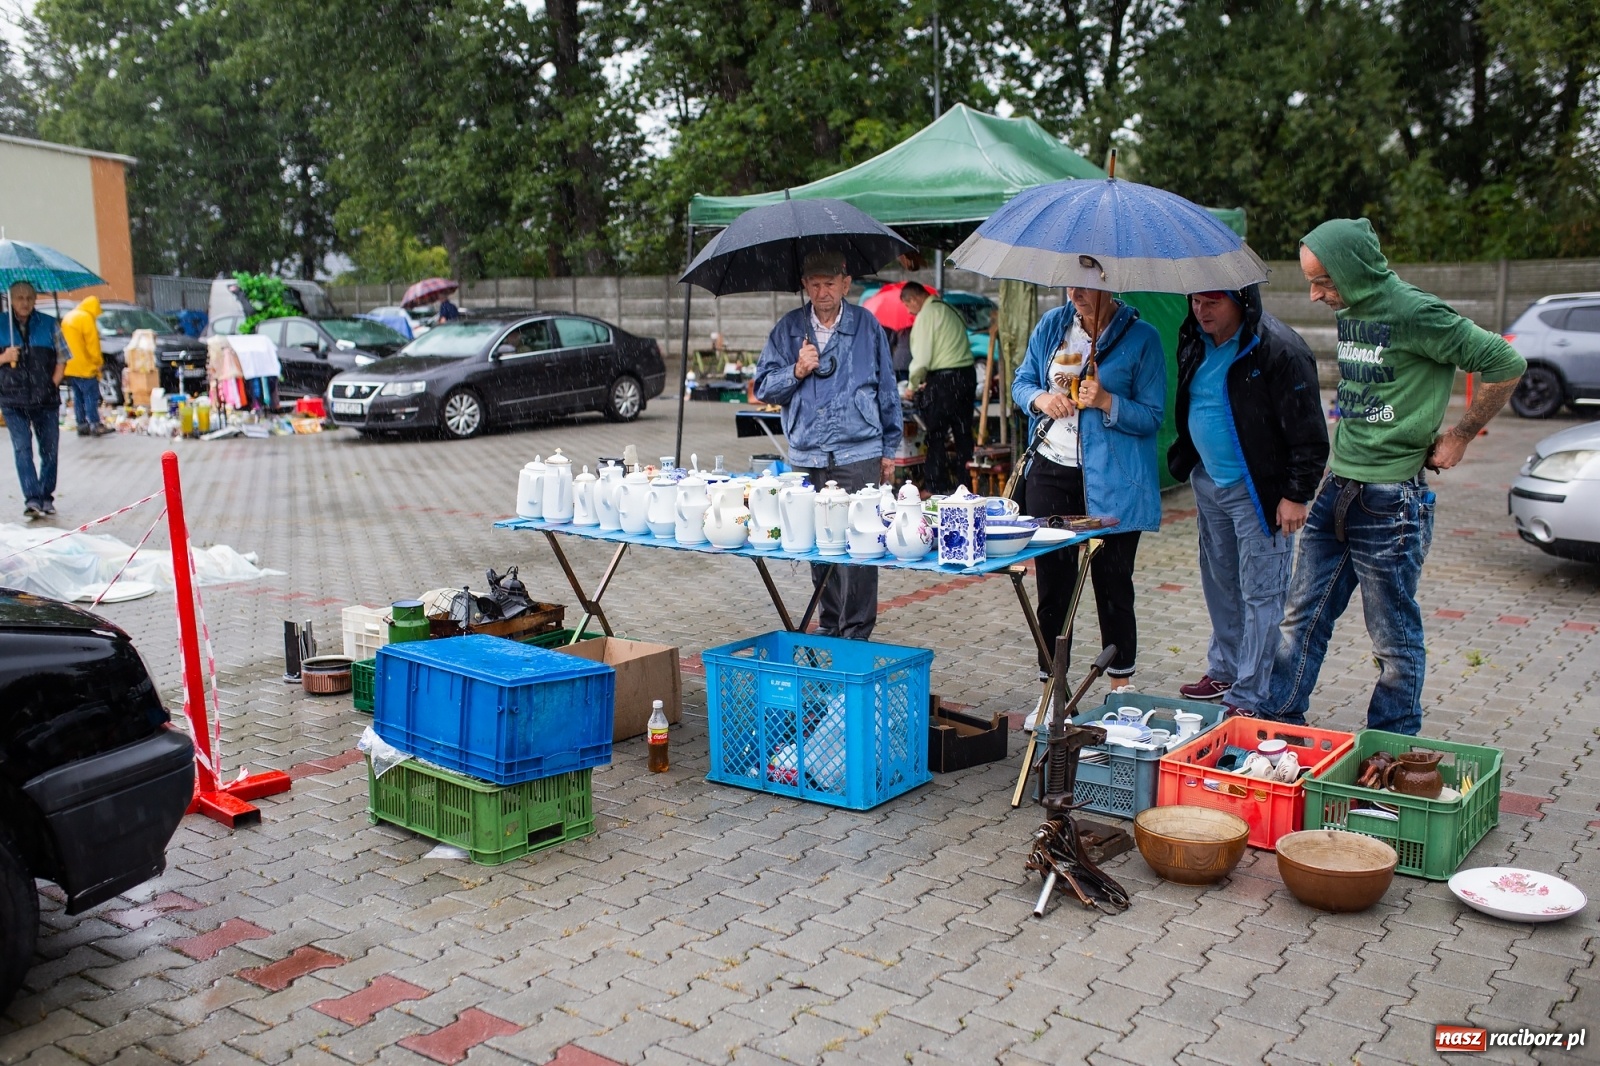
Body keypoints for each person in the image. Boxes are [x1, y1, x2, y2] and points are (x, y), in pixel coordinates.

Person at [1237, 218, 1525, 735]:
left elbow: (1505, 361)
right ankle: (1278, 727)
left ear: (1353, 269)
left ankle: (1391, 750)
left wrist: (1461, 434)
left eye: (1324, 281)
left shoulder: (1417, 312)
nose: (1315, 294)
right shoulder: (1350, 307)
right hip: (1337, 488)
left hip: (1392, 501)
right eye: (1311, 281)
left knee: (1393, 639)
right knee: (1300, 619)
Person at [1166, 286, 1329, 712]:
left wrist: (1296, 494)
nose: (1201, 310)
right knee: (1220, 582)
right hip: (1208, 482)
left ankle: (1251, 693)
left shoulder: (1279, 348)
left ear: (1241, 301)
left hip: (1259, 490)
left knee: (1262, 592)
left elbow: (1309, 431)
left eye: (1212, 302)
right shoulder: (1194, 339)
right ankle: (1225, 670)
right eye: (1195, 301)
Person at [1013, 287, 1166, 691]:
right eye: (1069, 283)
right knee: (1053, 588)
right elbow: (1021, 382)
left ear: (1109, 283)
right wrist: (1041, 399)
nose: (1075, 292)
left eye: (1084, 283)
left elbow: (1152, 416)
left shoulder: (1143, 338)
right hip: (1051, 471)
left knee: (1113, 586)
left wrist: (1107, 401)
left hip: (1113, 478)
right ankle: (1052, 690)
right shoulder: (1052, 325)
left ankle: (1120, 690)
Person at [754, 250, 902, 639]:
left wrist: (890, 449)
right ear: (805, 285)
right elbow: (763, 387)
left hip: (860, 451)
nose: (823, 292)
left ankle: (857, 632)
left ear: (846, 284)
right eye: (815, 284)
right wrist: (796, 370)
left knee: (861, 544)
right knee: (820, 545)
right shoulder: (788, 329)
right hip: (808, 454)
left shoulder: (867, 325)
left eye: (830, 284)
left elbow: (887, 388)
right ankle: (831, 624)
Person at [0, 281, 70, 517]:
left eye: (29, 298)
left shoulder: (49, 324)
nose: (25, 302)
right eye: (20, 298)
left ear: (35, 300)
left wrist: (52, 385)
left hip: (46, 400)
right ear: (11, 300)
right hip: (12, 399)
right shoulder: (1, 324)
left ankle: (46, 496)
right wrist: (4, 357)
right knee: (22, 449)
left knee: (49, 450)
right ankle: (32, 498)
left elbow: (62, 358)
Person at [900, 282, 976, 494]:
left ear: (914, 299)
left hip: (944, 381)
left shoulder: (926, 315)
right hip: (966, 375)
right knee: (963, 434)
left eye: (908, 305)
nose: (909, 311)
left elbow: (922, 358)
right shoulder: (948, 308)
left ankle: (935, 487)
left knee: (936, 434)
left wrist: (912, 385)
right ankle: (966, 486)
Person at [61, 295, 111, 437]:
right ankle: (95, 424)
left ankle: (82, 425)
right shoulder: (86, 318)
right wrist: (98, 363)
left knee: (78, 397)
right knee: (90, 396)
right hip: (85, 366)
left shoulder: (69, 317)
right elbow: (92, 345)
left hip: (70, 366)